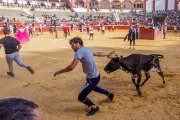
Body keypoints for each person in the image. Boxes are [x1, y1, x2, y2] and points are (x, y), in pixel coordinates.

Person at [54, 37, 115, 116]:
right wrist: (108, 53)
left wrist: (59, 71)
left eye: (72, 44)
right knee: (93, 87)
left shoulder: (79, 52)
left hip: (92, 78)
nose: (71, 47)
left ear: (78, 43)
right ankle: (109, 94)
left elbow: (71, 67)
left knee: (81, 97)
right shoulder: (86, 49)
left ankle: (94, 107)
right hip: (96, 75)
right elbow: (97, 53)